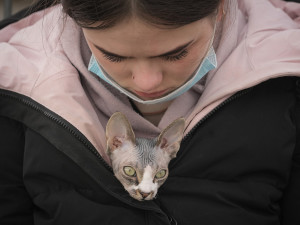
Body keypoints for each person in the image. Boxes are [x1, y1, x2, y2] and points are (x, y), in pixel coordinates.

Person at [0, 0, 300, 224]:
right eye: (113, 55)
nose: (146, 82)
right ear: (73, 20)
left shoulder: (288, 85)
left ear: (221, 8)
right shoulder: (13, 90)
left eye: (176, 53)